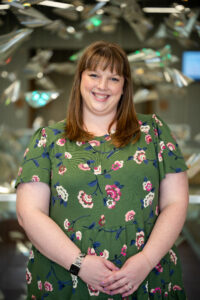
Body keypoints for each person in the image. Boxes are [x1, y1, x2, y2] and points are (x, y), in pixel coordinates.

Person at [16, 40, 189, 300]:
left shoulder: (153, 131)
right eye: (94, 75)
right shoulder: (48, 139)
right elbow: (28, 213)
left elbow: (176, 202)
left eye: (114, 78)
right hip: (64, 279)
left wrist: (145, 261)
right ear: (80, 80)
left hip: (145, 278)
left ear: (124, 87)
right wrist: (80, 264)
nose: (102, 86)